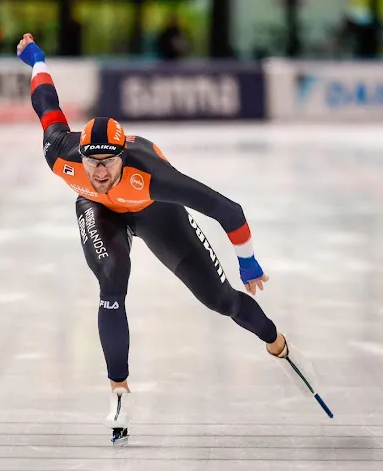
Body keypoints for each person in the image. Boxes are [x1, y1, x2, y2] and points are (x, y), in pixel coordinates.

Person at [16, 33, 291, 444]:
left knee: (219, 299)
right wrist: (36, 59)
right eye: (93, 162)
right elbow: (47, 107)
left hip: (153, 211)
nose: (101, 172)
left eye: (109, 162)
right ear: (82, 156)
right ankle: (119, 392)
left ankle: (274, 339)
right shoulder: (61, 154)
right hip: (99, 211)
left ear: (123, 156)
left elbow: (228, 210)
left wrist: (248, 261)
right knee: (112, 282)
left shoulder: (155, 177)